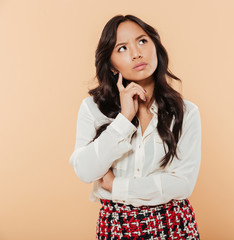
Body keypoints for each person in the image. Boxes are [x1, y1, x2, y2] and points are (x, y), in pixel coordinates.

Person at [69, 14, 201, 239]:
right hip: (117, 227)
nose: (136, 53)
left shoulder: (186, 112)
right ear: (111, 65)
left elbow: (182, 185)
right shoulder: (92, 109)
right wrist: (123, 119)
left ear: (155, 47)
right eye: (122, 48)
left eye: (142, 41)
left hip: (174, 225)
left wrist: (117, 186)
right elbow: (85, 171)